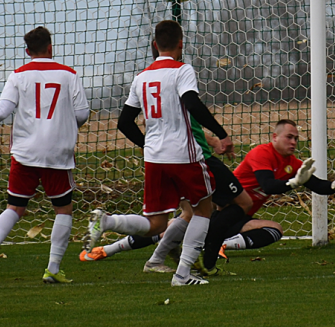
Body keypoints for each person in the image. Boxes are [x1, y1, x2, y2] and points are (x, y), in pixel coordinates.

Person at [85, 20, 234, 286]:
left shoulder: (141, 78)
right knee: (203, 210)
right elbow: (192, 103)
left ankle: (108, 222)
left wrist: (147, 145)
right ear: (180, 44)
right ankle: (183, 274)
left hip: (155, 158)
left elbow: (124, 123)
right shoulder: (182, 70)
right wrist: (221, 133)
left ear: (155, 45)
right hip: (183, 155)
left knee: (155, 223)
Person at [0, 26, 90, 286]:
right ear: (50, 47)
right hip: (56, 154)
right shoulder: (69, 74)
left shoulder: (18, 75)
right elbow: (82, 113)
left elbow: (2, 110)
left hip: (24, 153)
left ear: (27, 51)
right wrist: (64, 125)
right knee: (63, 209)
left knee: (15, 207)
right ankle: (52, 270)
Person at [194, 119, 335, 274]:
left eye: (296, 139)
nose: (293, 142)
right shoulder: (261, 153)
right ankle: (191, 248)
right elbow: (267, 184)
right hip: (221, 212)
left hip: (240, 219)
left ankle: (223, 244)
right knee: (182, 224)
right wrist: (293, 183)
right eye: (289, 137)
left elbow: (318, 186)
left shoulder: (293, 163)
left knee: (275, 230)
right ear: (275, 137)